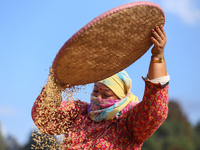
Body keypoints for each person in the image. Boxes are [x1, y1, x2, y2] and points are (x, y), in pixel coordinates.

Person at [31, 26, 170, 149]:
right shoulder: (79, 114)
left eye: (106, 95)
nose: (98, 97)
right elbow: (43, 118)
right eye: (96, 91)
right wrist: (55, 86)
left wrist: (157, 57)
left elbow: (156, 111)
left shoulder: (128, 123)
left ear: (120, 96)